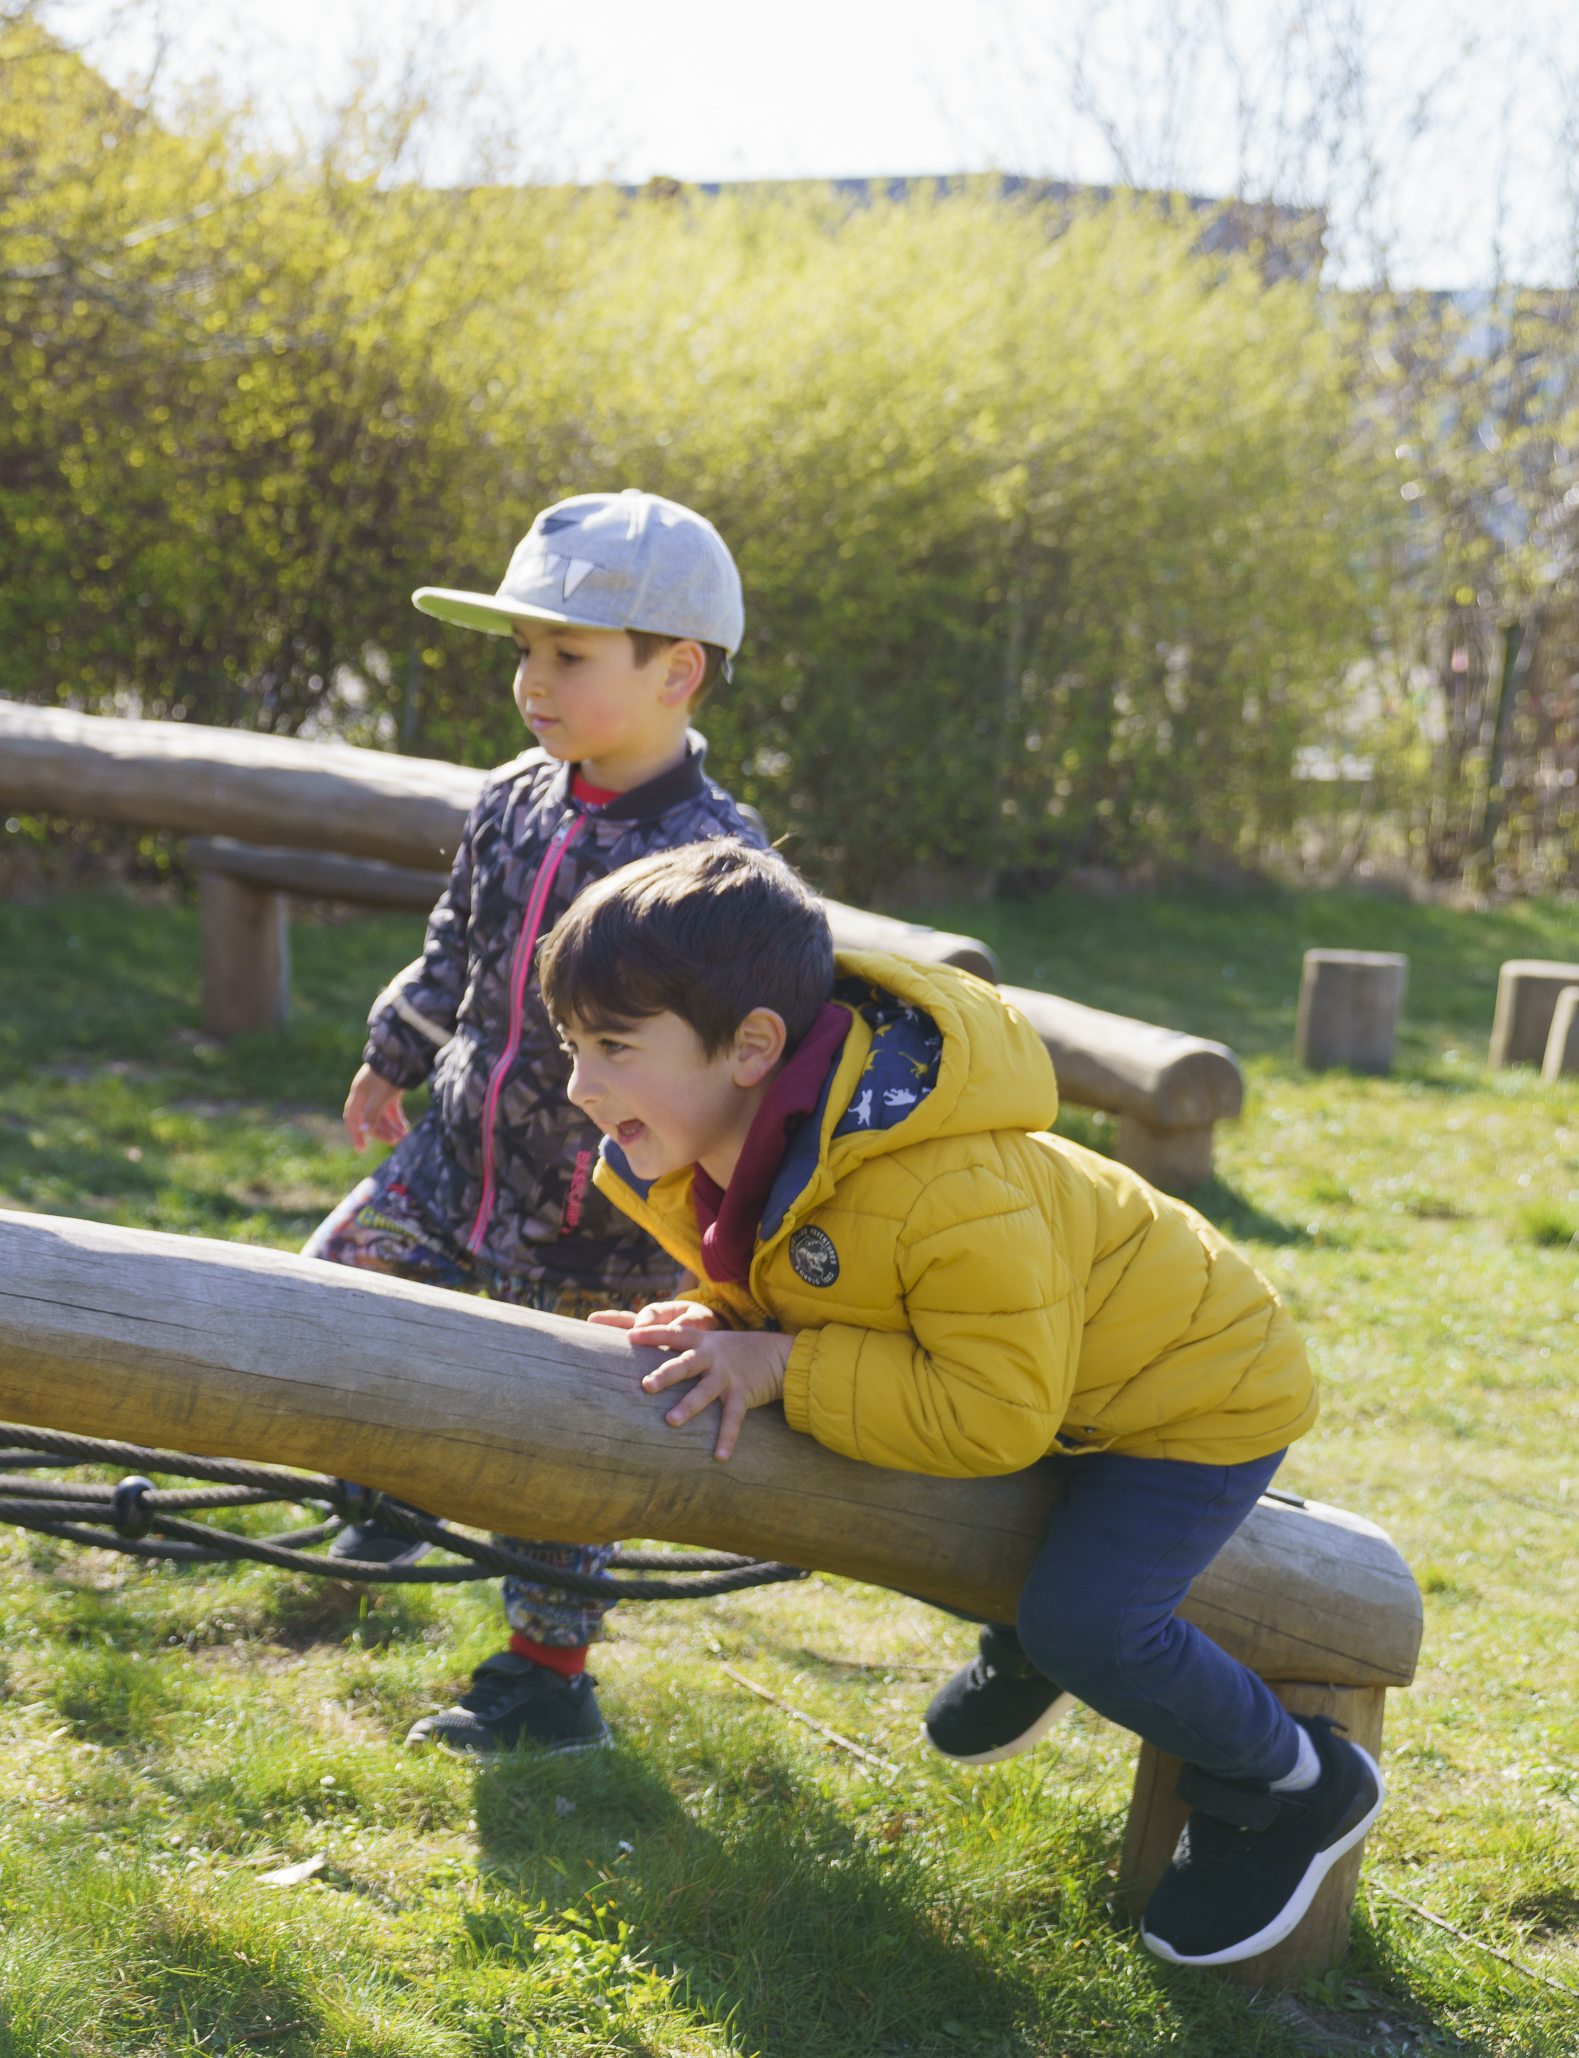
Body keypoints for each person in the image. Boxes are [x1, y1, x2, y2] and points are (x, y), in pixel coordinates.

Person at [546, 839, 1367, 1970]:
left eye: (613, 1049)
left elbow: (989, 1414)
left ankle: (1289, 1780)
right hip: (1057, 1376)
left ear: (750, 1048)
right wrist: (722, 1317)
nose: (580, 1084)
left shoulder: (940, 1183)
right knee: (920, 1497)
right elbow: (809, 1271)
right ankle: (1025, 1632)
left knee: (1092, 1619)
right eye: (572, 1047)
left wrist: (781, 1365)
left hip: (1192, 1394)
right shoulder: (741, 1139)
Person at [306, 490, 762, 1755]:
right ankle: (389, 1483)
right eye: (523, 652)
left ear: (677, 673)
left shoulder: (714, 859)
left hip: (593, 1221)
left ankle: (547, 1676)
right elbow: (458, 944)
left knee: (566, 1461)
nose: (533, 680)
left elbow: (743, 1058)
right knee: (331, 1293)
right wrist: (393, 1050)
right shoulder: (515, 799)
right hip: (452, 1160)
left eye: (567, 654)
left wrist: (717, 1212)